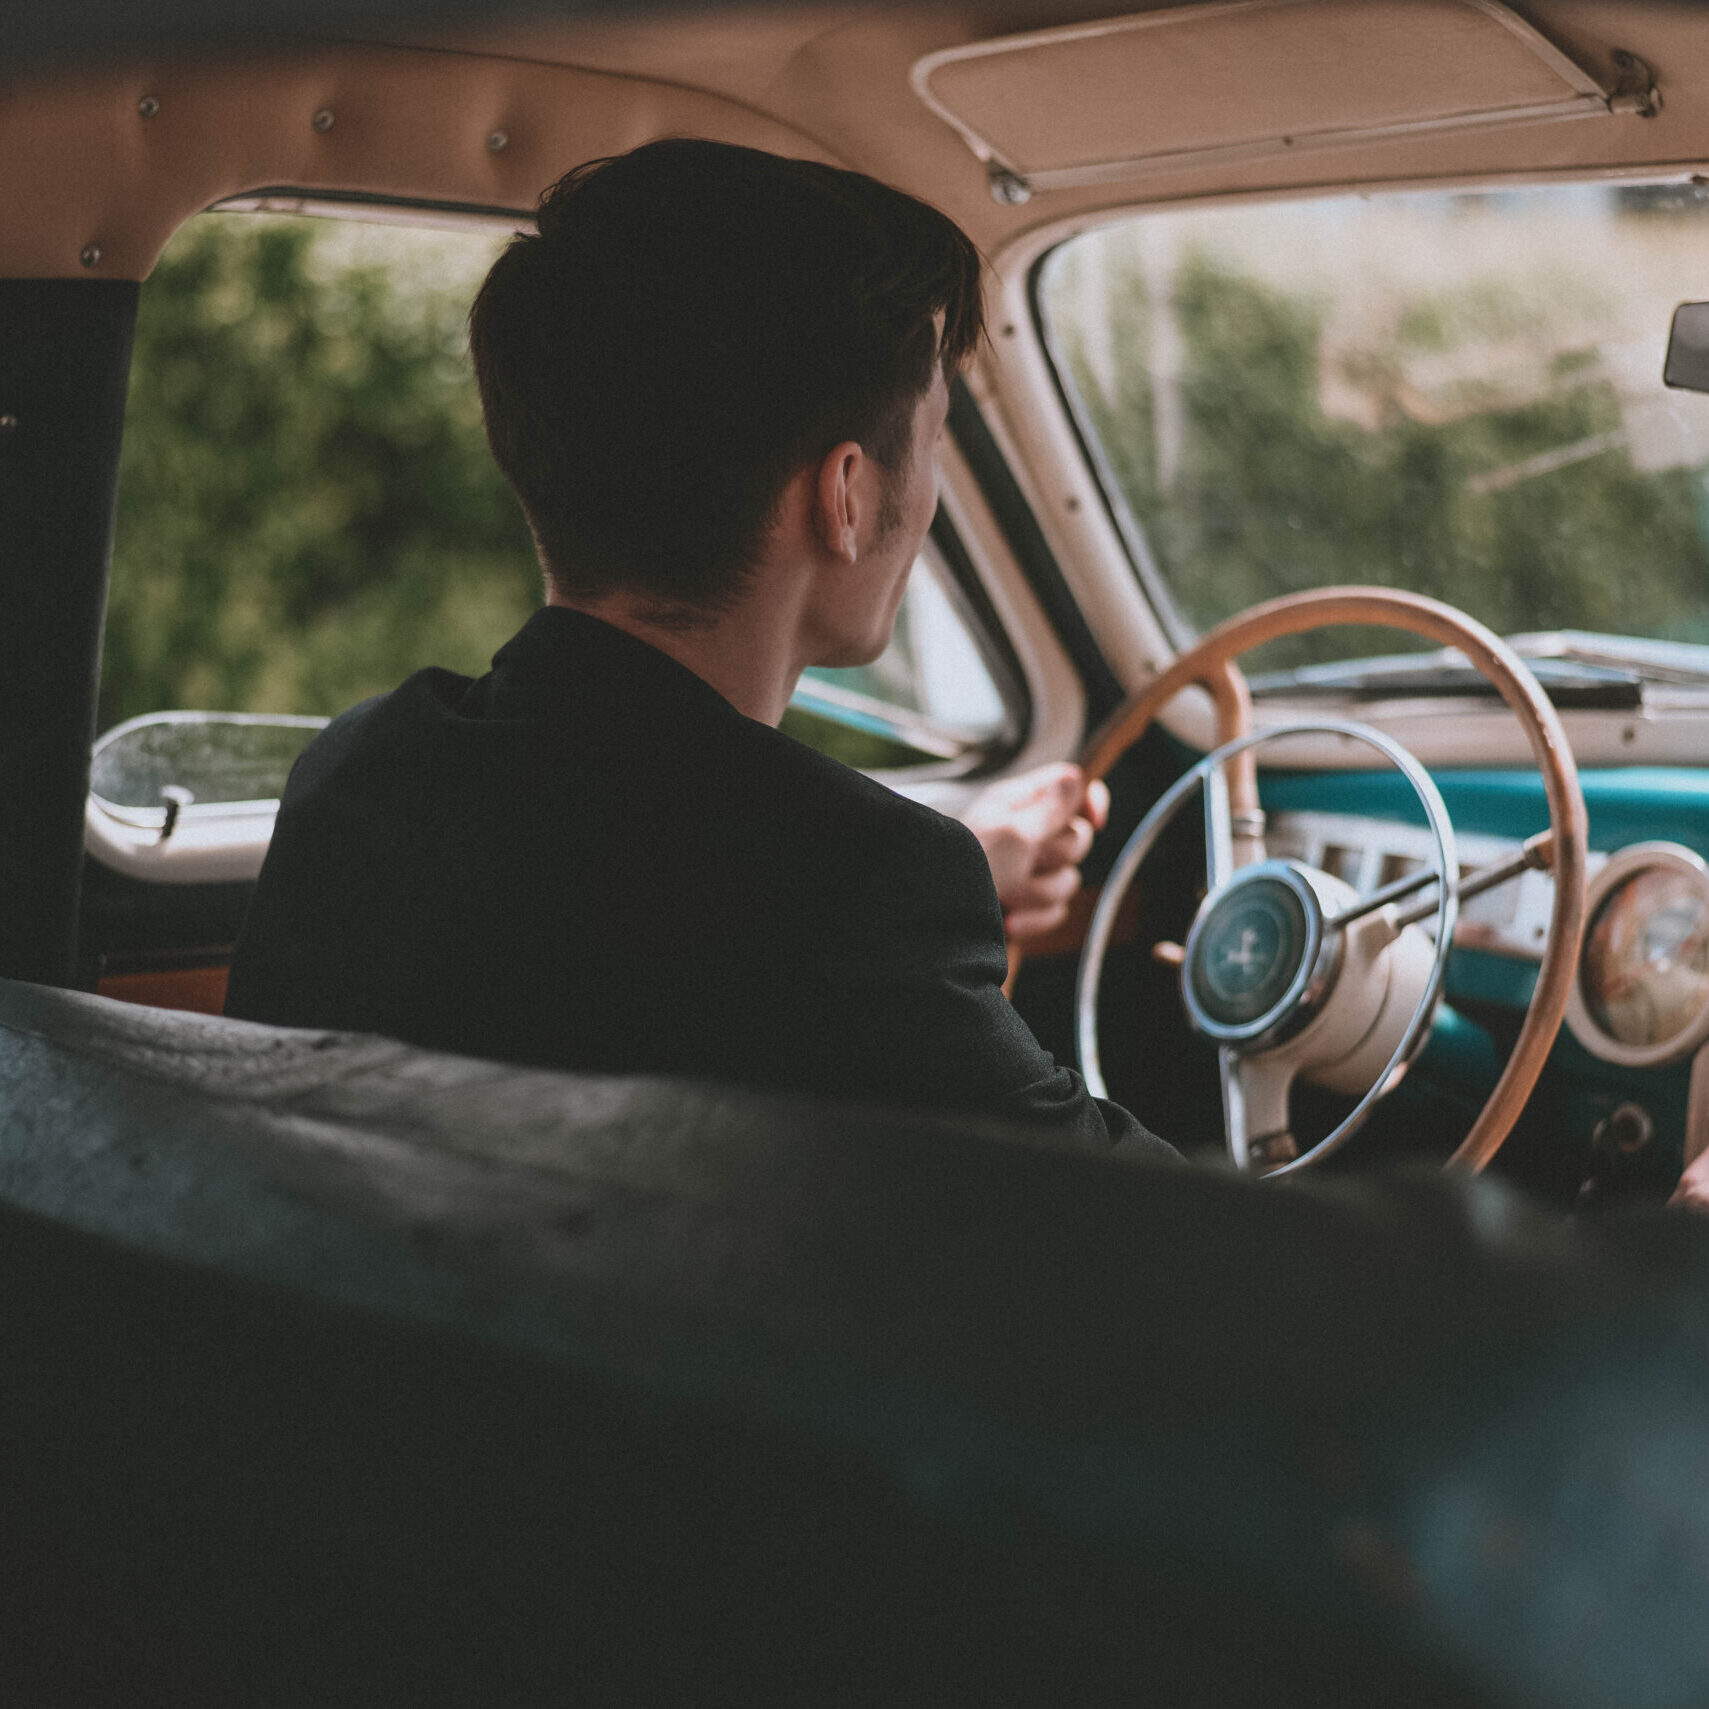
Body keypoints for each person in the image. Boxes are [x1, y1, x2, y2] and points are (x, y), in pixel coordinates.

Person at [225, 138, 1170, 1159]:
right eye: (934, 439)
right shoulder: (857, 895)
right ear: (843, 494)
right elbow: (1131, 1231)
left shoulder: (364, 773)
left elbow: (644, 900)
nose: (930, 490)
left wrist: (965, 875)